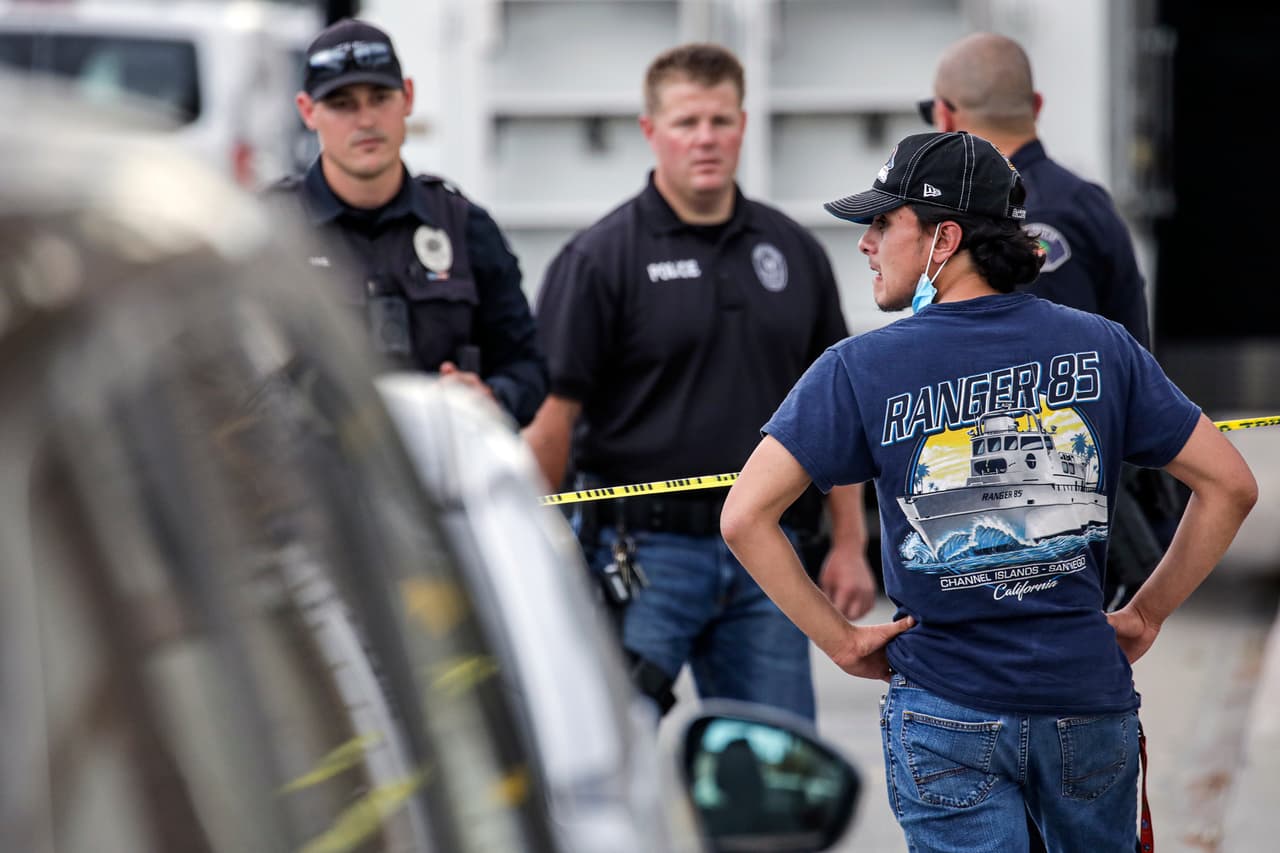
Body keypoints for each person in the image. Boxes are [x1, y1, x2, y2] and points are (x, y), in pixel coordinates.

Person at [720, 130, 1257, 851]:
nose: (865, 243)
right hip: (1086, 702)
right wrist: (1146, 613)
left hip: (945, 708)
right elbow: (1230, 484)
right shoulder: (1103, 346)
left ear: (943, 239)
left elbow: (744, 515)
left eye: (883, 222)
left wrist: (841, 641)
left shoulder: (858, 367)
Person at [523, 43, 877, 720]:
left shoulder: (793, 250)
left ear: (743, 124)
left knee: (775, 766)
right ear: (649, 130)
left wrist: (849, 545)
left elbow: (837, 415)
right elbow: (552, 424)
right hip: (642, 557)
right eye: (686, 122)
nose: (705, 138)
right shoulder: (599, 259)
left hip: (770, 557)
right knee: (610, 756)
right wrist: (537, 561)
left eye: (720, 120)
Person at [920, 31, 1182, 610]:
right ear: (1036, 106)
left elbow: (1035, 372)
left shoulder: (1000, 221)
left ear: (945, 116)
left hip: (1050, 512)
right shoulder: (1089, 202)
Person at [266, 18, 547, 427]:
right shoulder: (266, 233)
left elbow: (529, 366)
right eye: (342, 104)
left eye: (380, 98)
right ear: (308, 112)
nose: (365, 120)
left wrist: (489, 397)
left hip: (438, 463)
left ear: (408, 97)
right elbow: (212, 380)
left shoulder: (463, 227)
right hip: (316, 462)